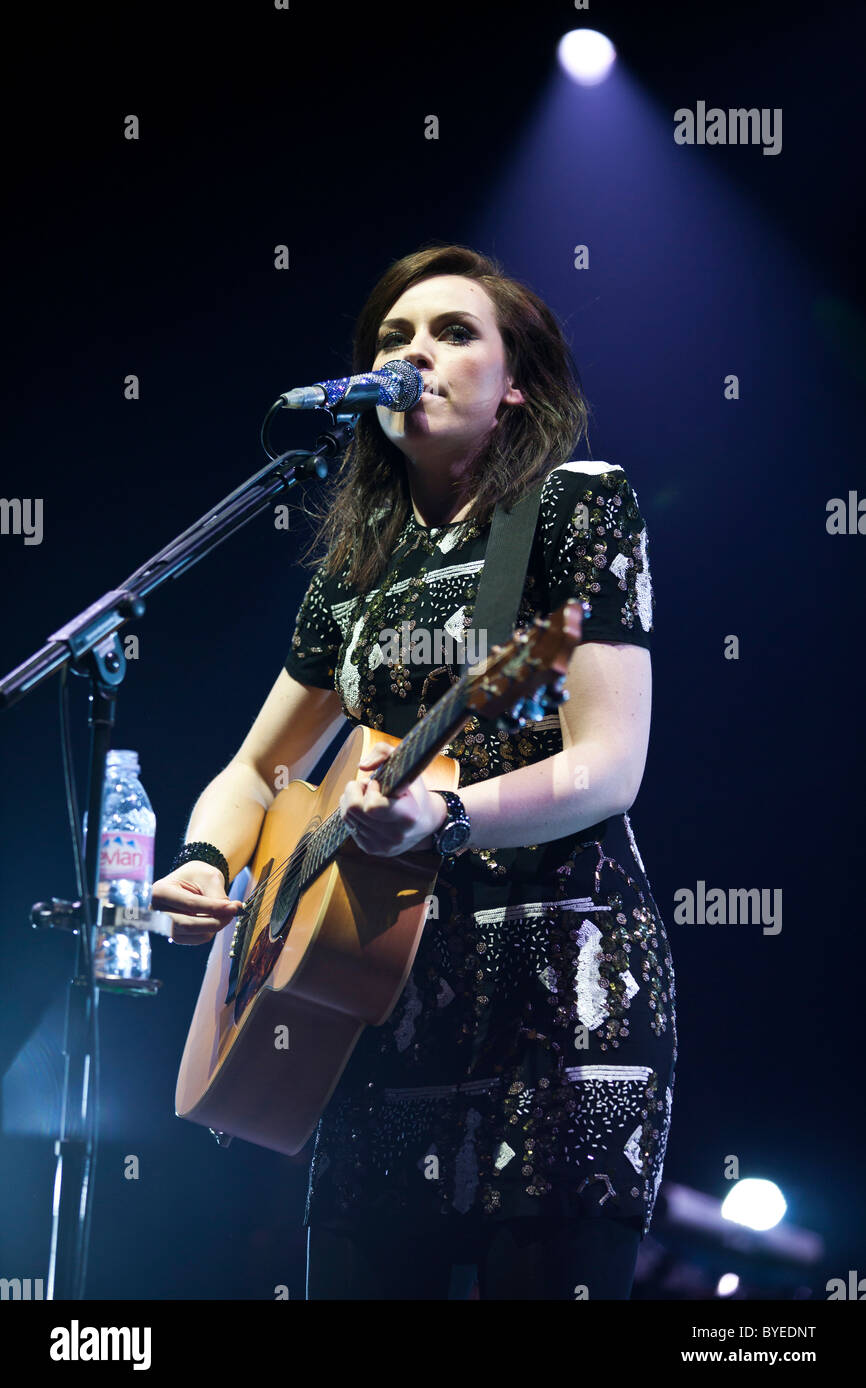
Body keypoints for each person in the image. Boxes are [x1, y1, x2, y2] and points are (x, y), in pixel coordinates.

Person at [151, 242, 677, 1300]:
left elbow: (607, 765)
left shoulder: (576, 506)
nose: (414, 352)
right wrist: (208, 859)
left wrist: (445, 814)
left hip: (560, 995)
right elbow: (256, 769)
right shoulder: (355, 573)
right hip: (372, 1002)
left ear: (514, 381)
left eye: (450, 332)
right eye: (393, 336)